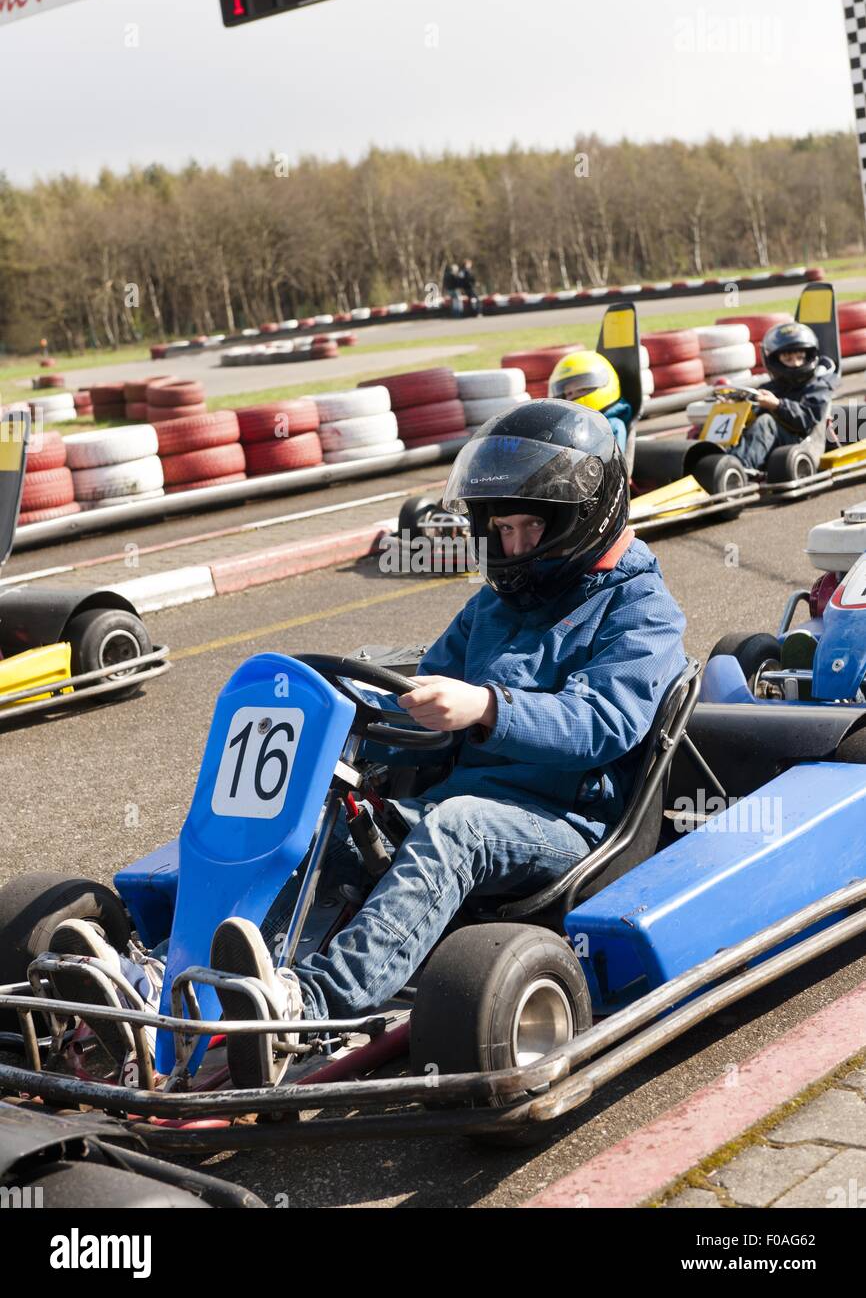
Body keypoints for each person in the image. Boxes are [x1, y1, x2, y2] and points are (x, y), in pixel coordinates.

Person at [48, 401, 687, 1088]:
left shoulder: (640, 610)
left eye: (528, 527)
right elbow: (423, 696)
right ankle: (170, 978)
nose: (511, 546)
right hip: (460, 797)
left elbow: (602, 724)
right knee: (324, 817)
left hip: (569, 824)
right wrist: (357, 720)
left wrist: (484, 708)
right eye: (499, 529)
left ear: (579, 518)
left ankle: (308, 1004)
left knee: (455, 828)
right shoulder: (495, 607)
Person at [728, 321, 839, 472]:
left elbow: (806, 419)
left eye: (800, 357)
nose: (795, 363)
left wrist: (778, 405)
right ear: (774, 360)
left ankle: (738, 468)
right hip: (778, 445)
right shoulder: (771, 388)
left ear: (810, 357)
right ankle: (719, 459)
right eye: (788, 359)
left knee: (766, 423)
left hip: (804, 444)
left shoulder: (818, 387)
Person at [548, 349, 632, 452]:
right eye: (568, 393)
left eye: (581, 390)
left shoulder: (612, 427)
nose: (571, 398)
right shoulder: (562, 427)